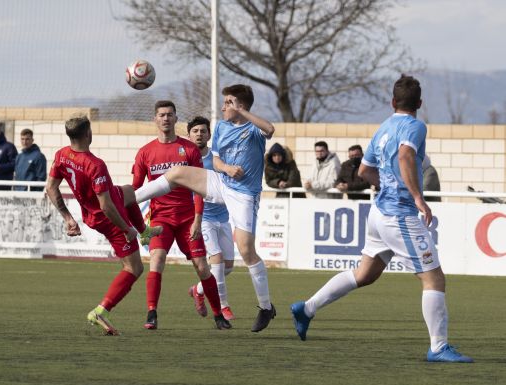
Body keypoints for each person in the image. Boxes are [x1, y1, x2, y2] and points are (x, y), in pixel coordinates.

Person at [290, 75, 473, 363]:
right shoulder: (415, 125)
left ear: (392, 102)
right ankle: (438, 348)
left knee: (365, 274)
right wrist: (416, 197)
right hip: (399, 215)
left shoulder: (384, 128)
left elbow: (364, 171)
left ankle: (307, 308)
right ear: (420, 104)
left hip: (378, 213)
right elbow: (405, 156)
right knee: (433, 278)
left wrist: (389, 185)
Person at [128, 85, 277, 333]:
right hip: (222, 183)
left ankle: (265, 307)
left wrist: (241, 111)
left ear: (239, 106)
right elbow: (216, 159)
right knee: (176, 173)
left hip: (244, 195)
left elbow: (270, 129)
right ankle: (124, 199)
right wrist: (226, 169)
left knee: (247, 251)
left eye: (227, 103)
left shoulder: (253, 128)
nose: (222, 107)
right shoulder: (221, 127)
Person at [45, 113, 162, 335]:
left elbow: (51, 187)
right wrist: (126, 229)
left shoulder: (62, 155)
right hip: (107, 219)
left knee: (127, 191)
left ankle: (144, 232)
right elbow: (107, 206)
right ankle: (101, 311)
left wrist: (69, 218)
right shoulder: (94, 165)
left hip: (94, 211)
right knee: (134, 268)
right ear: (88, 134)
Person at [132, 101, 231, 330]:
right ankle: (151, 314)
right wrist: (138, 227)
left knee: (202, 266)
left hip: (188, 218)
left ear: (176, 119)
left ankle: (218, 315)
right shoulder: (145, 152)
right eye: (162, 115)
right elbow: (136, 191)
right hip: (160, 219)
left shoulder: (189, 150)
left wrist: (198, 219)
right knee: (156, 261)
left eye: (170, 115)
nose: (166, 118)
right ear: (155, 119)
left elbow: (198, 187)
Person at [186, 116, 236, 321]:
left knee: (228, 267)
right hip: (203, 218)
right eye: (195, 131)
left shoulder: (216, 159)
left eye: (203, 131)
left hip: (222, 217)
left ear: (209, 134)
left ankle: (198, 290)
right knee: (216, 263)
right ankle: (224, 306)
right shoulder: (185, 159)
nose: (199, 134)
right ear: (189, 134)